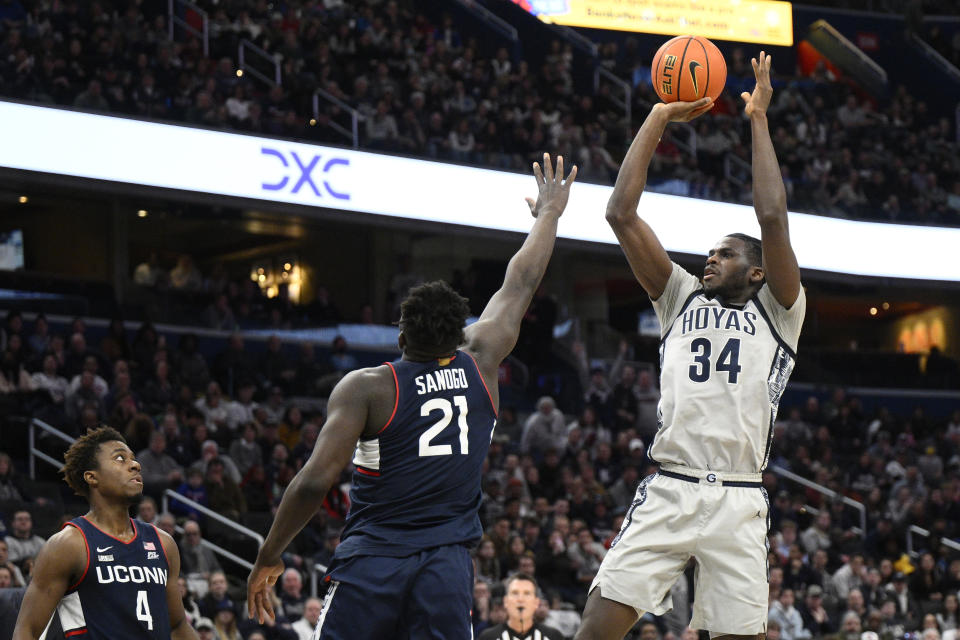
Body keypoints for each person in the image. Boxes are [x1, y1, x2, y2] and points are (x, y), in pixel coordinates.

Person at [247, 154, 578, 639]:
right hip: (445, 566)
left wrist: (269, 554)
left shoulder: (369, 387)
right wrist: (549, 214)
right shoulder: (481, 358)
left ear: (402, 336)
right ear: (457, 332)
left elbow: (315, 481)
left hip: (373, 559)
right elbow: (521, 280)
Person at [575, 52, 805, 640]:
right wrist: (657, 117)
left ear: (756, 273)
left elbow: (772, 216)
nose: (710, 257)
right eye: (710, 251)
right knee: (595, 630)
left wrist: (757, 120)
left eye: (725, 253)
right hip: (672, 484)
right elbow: (620, 213)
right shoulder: (679, 297)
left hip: (739, 496)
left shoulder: (779, 309)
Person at [12, 426, 198, 639]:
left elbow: (177, 626)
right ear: (92, 477)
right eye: (120, 459)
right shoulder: (69, 544)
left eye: (133, 459)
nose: (135, 465)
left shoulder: (163, 543)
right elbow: (27, 630)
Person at [478, 574, 564, 640]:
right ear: (506, 601)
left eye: (527, 593)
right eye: (515, 593)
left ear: (536, 602)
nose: (521, 599)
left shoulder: (554, 636)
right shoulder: (488, 637)